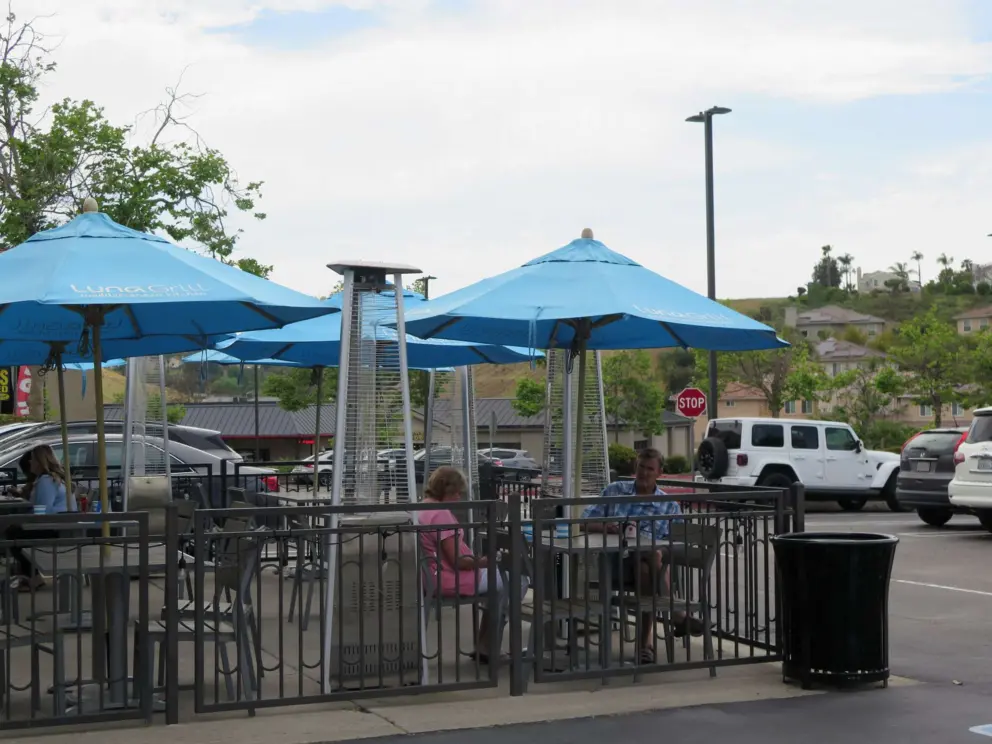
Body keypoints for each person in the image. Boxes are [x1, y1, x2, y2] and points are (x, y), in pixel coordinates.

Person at [581, 447, 705, 663]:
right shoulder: (615, 490)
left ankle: (646, 645)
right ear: (635, 468)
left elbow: (678, 545)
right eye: (641, 467)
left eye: (650, 468)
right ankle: (675, 617)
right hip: (615, 564)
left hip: (649, 567)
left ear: (659, 472)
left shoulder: (669, 505)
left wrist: (658, 552)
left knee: (647, 564)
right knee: (647, 560)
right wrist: (606, 527)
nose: (644, 473)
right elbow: (583, 522)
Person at [419, 466, 527, 663]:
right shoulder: (440, 515)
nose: (459, 498)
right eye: (457, 492)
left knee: (501, 586)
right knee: (518, 580)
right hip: (451, 578)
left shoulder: (423, 508)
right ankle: (491, 645)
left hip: (432, 576)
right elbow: (458, 561)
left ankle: (486, 645)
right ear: (447, 490)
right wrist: (485, 561)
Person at [6, 445, 71, 589]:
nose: (30, 463)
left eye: (33, 459)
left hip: (56, 528)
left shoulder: (46, 481)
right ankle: (28, 575)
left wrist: (21, 519)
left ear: (40, 462)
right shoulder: (48, 479)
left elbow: (42, 511)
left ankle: (33, 577)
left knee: (12, 534)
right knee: (12, 531)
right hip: (60, 525)